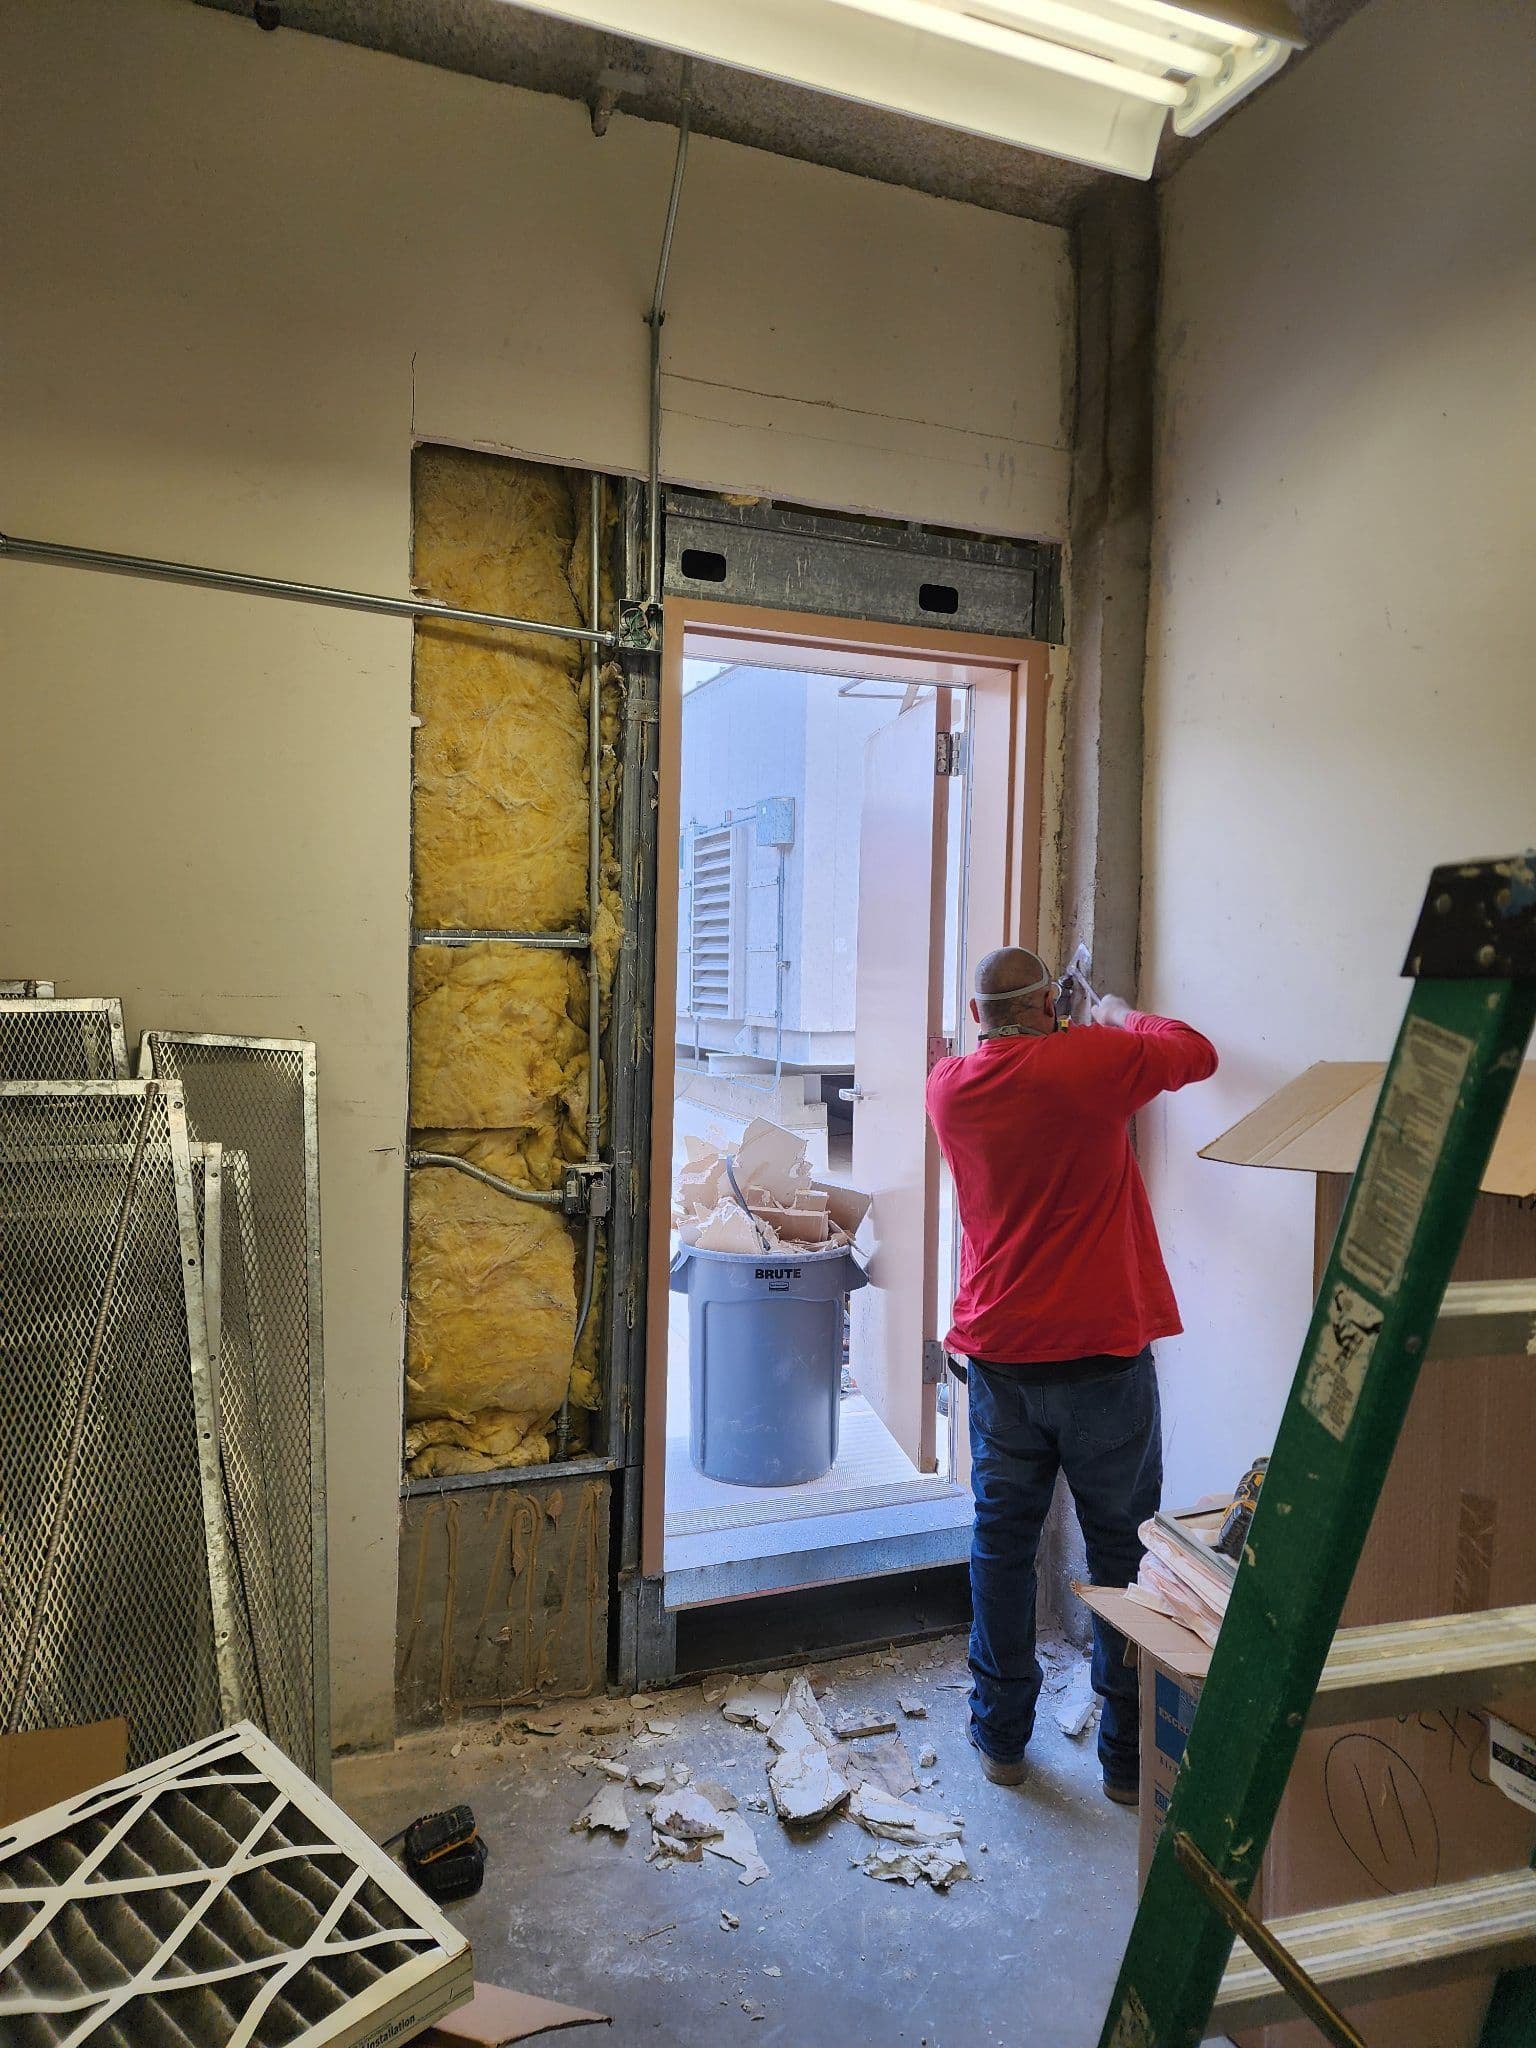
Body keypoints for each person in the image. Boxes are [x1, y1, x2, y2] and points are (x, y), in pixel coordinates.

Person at [925, 946, 1217, 1804]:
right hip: (1102, 1360)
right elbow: (1194, 1051)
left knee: (1002, 1544)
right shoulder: (1097, 1062)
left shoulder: (949, 1086)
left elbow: (1017, 1060)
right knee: (1124, 1554)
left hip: (1001, 1360)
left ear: (978, 1017)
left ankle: (1002, 1739)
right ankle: (1128, 1763)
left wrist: (1063, 1026)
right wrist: (1119, 1017)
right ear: (1051, 1002)